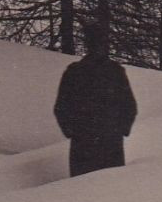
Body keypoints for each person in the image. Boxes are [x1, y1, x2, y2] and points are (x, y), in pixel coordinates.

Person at [54, 21, 138, 177]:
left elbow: (129, 106)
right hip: (85, 144)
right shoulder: (75, 72)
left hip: (109, 143)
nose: (98, 47)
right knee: (84, 189)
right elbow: (61, 107)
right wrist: (73, 131)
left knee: (107, 189)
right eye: (94, 42)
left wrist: (120, 130)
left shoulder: (115, 72)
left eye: (101, 42)